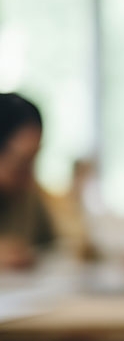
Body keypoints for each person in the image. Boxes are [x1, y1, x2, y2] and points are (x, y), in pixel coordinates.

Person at [0, 92, 55, 269]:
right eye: (21, 164)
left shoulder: (29, 196)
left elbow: (58, 246)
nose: (30, 177)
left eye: (34, 161)